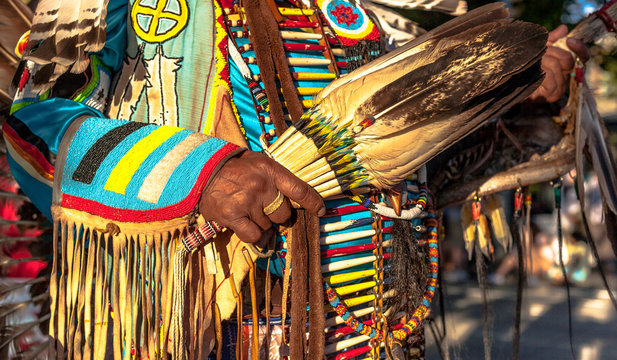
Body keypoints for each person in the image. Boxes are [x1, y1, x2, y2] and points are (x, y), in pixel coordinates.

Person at [2, 0, 589, 358]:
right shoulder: (121, 6)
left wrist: (506, 93)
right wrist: (199, 174)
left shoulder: (354, 16)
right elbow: (33, 126)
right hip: (215, 330)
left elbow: (406, 154)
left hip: (375, 334)